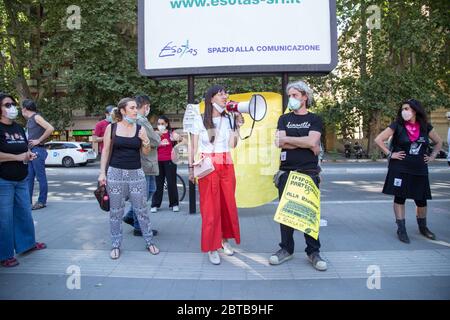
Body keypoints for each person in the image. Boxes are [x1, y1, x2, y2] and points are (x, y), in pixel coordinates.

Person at [269, 80, 327, 271]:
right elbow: (280, 143)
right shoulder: (283, 119)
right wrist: (305, 143)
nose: (291, 99)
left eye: (295, 95)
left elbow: (313, 141)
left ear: (305, 97)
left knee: (309, 213)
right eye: (290, 96)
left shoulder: (315, 119)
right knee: (286, 214)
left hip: (309, 172)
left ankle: (313, 252)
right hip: (286, 172)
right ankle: (286, 249)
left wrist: (289, 139)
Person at [188, 85, 244, 265]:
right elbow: (193, 145)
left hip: (226, 163)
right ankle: (212, 247)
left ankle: (224, 240)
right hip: (208, 165)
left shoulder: (229, 118)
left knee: (227, 205)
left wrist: (237, 126)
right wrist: (190, 167)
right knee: (210, 208)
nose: (225, 96)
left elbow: (233, 144)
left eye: (226, 93)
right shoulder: (199, 119)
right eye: (221, 94)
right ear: (211, 98)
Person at [98, 98, 159, 259]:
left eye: (135, 108)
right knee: (115, 211)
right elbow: (105, 151)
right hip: (115, 173)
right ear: (123, 111)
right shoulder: (111, 128)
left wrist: (145, 141)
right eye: (132, 108)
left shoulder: (140, 128)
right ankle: (116, 244)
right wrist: (102, 173)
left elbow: (145, 152)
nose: (135, 110)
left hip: (136, 173)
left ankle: (149, 242)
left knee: (142, 210)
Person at [374, 99, 443, 243]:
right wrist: (389, 154)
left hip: (419, 168)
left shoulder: (425, 127)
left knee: (421, 200)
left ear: (415, 110)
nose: (404, 111)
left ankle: (423, 227)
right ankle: (401, 229)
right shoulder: (397, 125)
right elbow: (378, 139)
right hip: (400, 168)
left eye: (407, 108)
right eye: (403, 108)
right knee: (400, 198)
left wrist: (432, 156)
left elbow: (439, 142)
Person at [0, 93, 46, 268]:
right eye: (7, 104)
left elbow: (24, 148)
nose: (12, 108)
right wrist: (17, 156)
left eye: (13, 104)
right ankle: (4, 254)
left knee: (25, 214)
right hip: (3, 180)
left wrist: (28, 154)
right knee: (4, 219)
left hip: (21, 178)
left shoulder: (18, 128)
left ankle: (27, 244)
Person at [122, 95, 161, 237]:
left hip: (143, 162)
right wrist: (158, 136)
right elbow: (155, 141)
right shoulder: (141, 121)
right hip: (145, 162)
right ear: (145, 106)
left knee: (149, 190)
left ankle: (131, 216)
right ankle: (139, 227)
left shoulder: (136, 120)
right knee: (144, 194)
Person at [21, 99, 54, 210]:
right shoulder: (30, 119)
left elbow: (50, 128)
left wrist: (38, 140)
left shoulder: (36, 117)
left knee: (40, 178)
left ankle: (41, 201)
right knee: (29, 178)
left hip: (37, 150)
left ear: (25, 109)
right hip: (31, 151)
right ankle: (27, 202)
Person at [151, 115, 182, 213]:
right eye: (159, 124)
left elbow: (182, 141)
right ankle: (155, 204)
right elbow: (150, 145)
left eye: (162, 124)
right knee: (158, 183)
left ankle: (174, 204)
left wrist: (178, 140)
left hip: (170, 161)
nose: (160, 125)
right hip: (157, 161)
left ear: (167, 124)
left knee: (171, 182)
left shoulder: (171, 134)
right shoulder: (155, 134)